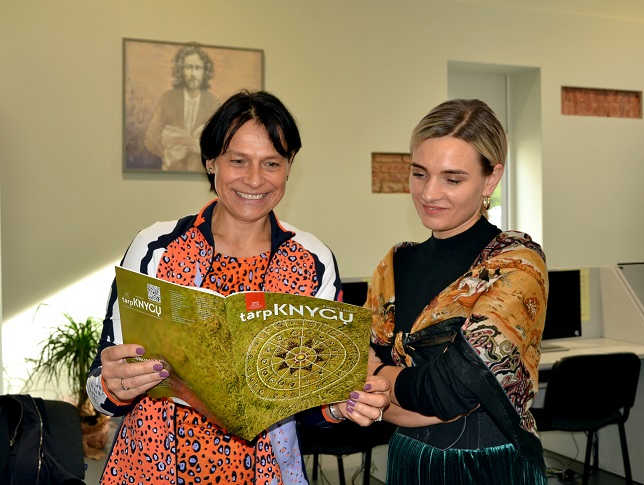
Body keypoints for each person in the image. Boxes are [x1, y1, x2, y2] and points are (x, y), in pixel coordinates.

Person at [87, 90, 388, 485]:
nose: (255, 179)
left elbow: (311, 404)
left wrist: (341, 406)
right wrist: (113, 385)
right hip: (151, 466)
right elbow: (102, 386)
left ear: (289, 166)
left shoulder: (312, 261)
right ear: (211, 161)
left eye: (271, 163)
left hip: (266, 471)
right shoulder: (156, 248)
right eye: (238, 161)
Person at [367, 99, 548, 484]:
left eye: (452, 179)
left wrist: (383, 385)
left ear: (491, 179)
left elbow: (449, 392)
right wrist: (400, 397)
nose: (429, 193)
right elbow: (356, 368)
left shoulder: (515, 264)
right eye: (419, 174)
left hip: (486, 466)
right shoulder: (395, 264)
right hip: (408, 459)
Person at [144, 44, 220, 172]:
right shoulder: (168, 99)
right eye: (188, 67)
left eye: (197, 68)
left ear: (204, 71)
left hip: (202, 175)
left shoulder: (213, 102)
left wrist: (202, 150)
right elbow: (151, 137)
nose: (193, 73)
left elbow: (221, 143)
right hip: (171, 172)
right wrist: (168, 154)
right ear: (181, 70)